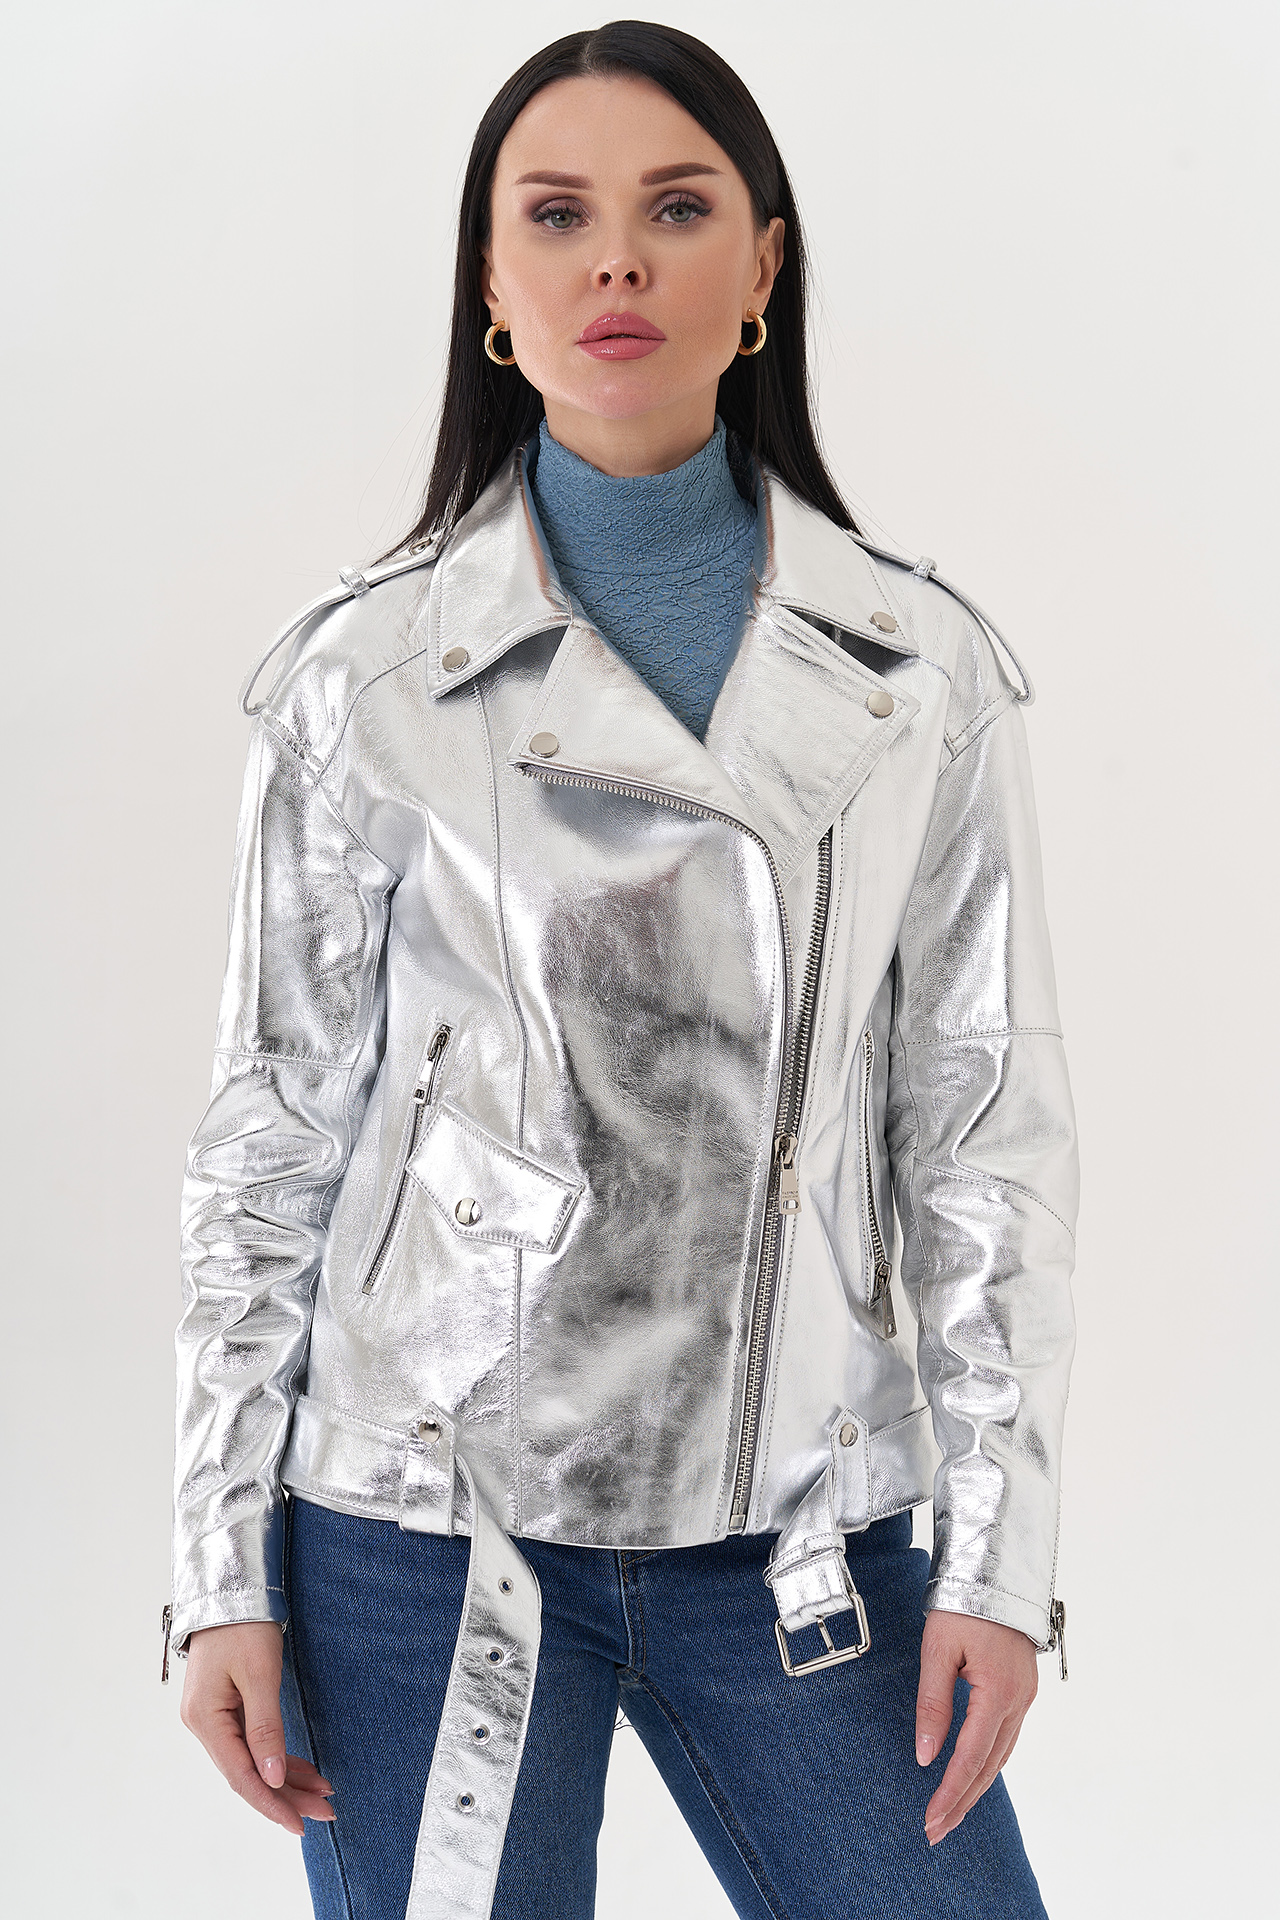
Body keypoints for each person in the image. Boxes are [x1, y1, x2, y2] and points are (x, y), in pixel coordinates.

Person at [167, 21, 1077, 1920]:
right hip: (423, 1537)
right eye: (558, 216)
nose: (617, 264)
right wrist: (219, 1568)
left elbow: (981, 1136)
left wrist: (996, 1553)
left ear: (763, 267)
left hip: (810, 1525)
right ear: (491, 286)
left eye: (676, 209)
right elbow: (270, 1141)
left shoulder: (919, 674)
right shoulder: (362, 678)